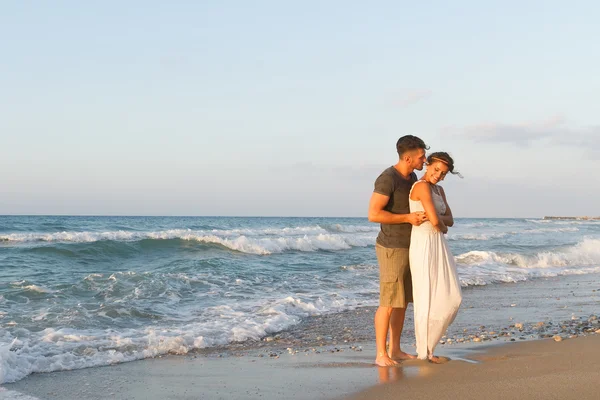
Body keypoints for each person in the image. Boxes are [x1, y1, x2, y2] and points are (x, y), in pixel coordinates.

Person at [368, 135, 429, 367]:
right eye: (421, 156)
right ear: (408, 157)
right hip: (391, 247)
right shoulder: (388, 178)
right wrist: (408, 218)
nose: (424, 160)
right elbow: (374, 214)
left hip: (410, 246)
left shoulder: (411, 176)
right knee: (388, 301)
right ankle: (380, 354)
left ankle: (395, 349)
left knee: (402, 301)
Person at [408, 152, 463, 363]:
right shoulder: (420, 186)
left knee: (452, 296)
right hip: (423, 244)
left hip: (439, 244)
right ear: (428, 165)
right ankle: (425, 351)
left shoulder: (439, 190)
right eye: (436, 169)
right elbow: (436, 220)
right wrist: (440, 223)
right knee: (426, 297)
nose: (438, 175)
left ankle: (429, 346)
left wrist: (439, 223)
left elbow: (449, 220)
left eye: (443, 173)